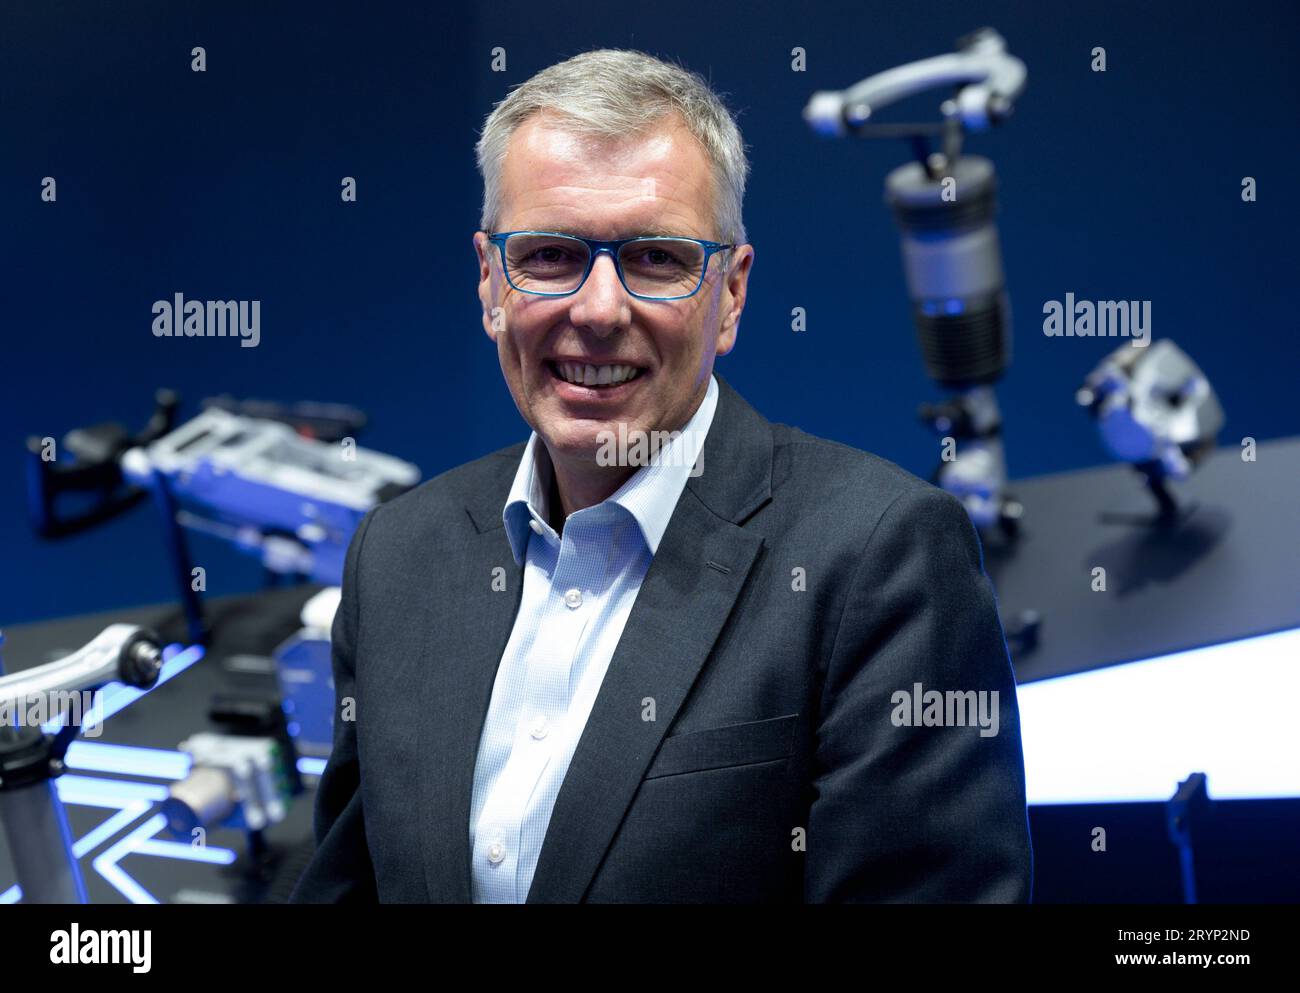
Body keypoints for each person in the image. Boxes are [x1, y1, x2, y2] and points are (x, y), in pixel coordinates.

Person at [290, 48, 1032, 903]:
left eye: (655, 260)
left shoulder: (880, 555)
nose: (599, 310)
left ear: (733, 295)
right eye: (550, 255)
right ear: (491, 282)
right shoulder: (399, 553)